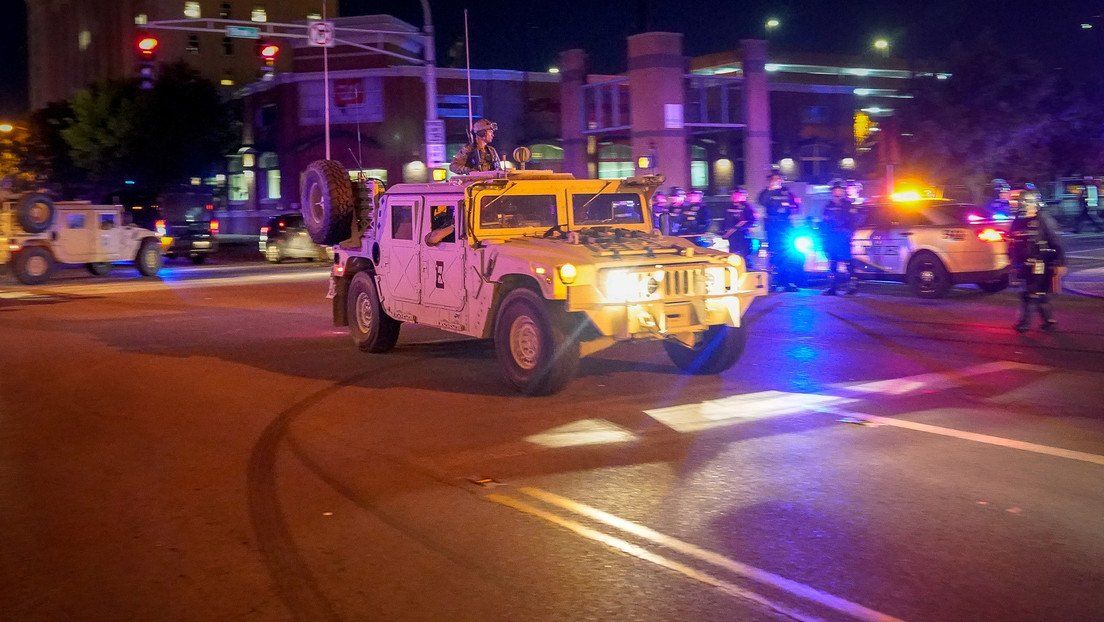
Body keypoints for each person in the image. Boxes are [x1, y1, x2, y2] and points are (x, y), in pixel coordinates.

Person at [1008, 188, 1067, 333]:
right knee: (1040, 294)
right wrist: (1012, 262)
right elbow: (1013, 242)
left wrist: (1061, 262)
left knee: (1031, 293)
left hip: (1040, 263)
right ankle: (1049, 322)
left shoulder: (1043, 220)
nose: (1022, 206)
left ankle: (1024, 323)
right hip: (1024, 264)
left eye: (1025, 203)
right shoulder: (1018, 221)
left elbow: (1056, 241)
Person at [759, 171, 800, 292]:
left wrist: (792, 209)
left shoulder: (787, 192)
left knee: (788, 255)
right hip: (773, 228)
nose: (776, 180)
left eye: (778, 178)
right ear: (770, 180)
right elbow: (761, 202)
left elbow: (796, 208)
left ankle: (788, 282)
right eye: (774, 179)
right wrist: (770, 189)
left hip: (786, 228)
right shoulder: (766, 192)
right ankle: (774, 283)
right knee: (774, 255)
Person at [821, 180, 859, 295]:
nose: (837, 191)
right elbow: (825, 222)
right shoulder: (829, 206)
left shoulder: (848, 205)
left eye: (840, 189)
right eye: (835, 189)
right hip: (832, 237)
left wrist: (849, 233)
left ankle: (852, 286)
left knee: (847, 260)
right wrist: (824, 236)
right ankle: (833, 287)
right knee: (832, 262)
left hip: (843, 236)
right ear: (833, 191)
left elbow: (854, 220)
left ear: (842, 191)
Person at [722, 186, 757, 267]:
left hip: (743, 235)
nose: (735, 197)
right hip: (732, 235)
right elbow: (725, 220)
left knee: (744, 255)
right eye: (734, 195)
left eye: (737, 195)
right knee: (732, 255)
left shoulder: (747, 207)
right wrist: (724, 230)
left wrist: (740, 228)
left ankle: (747, 268)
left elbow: (752, 221)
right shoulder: (729, 207)